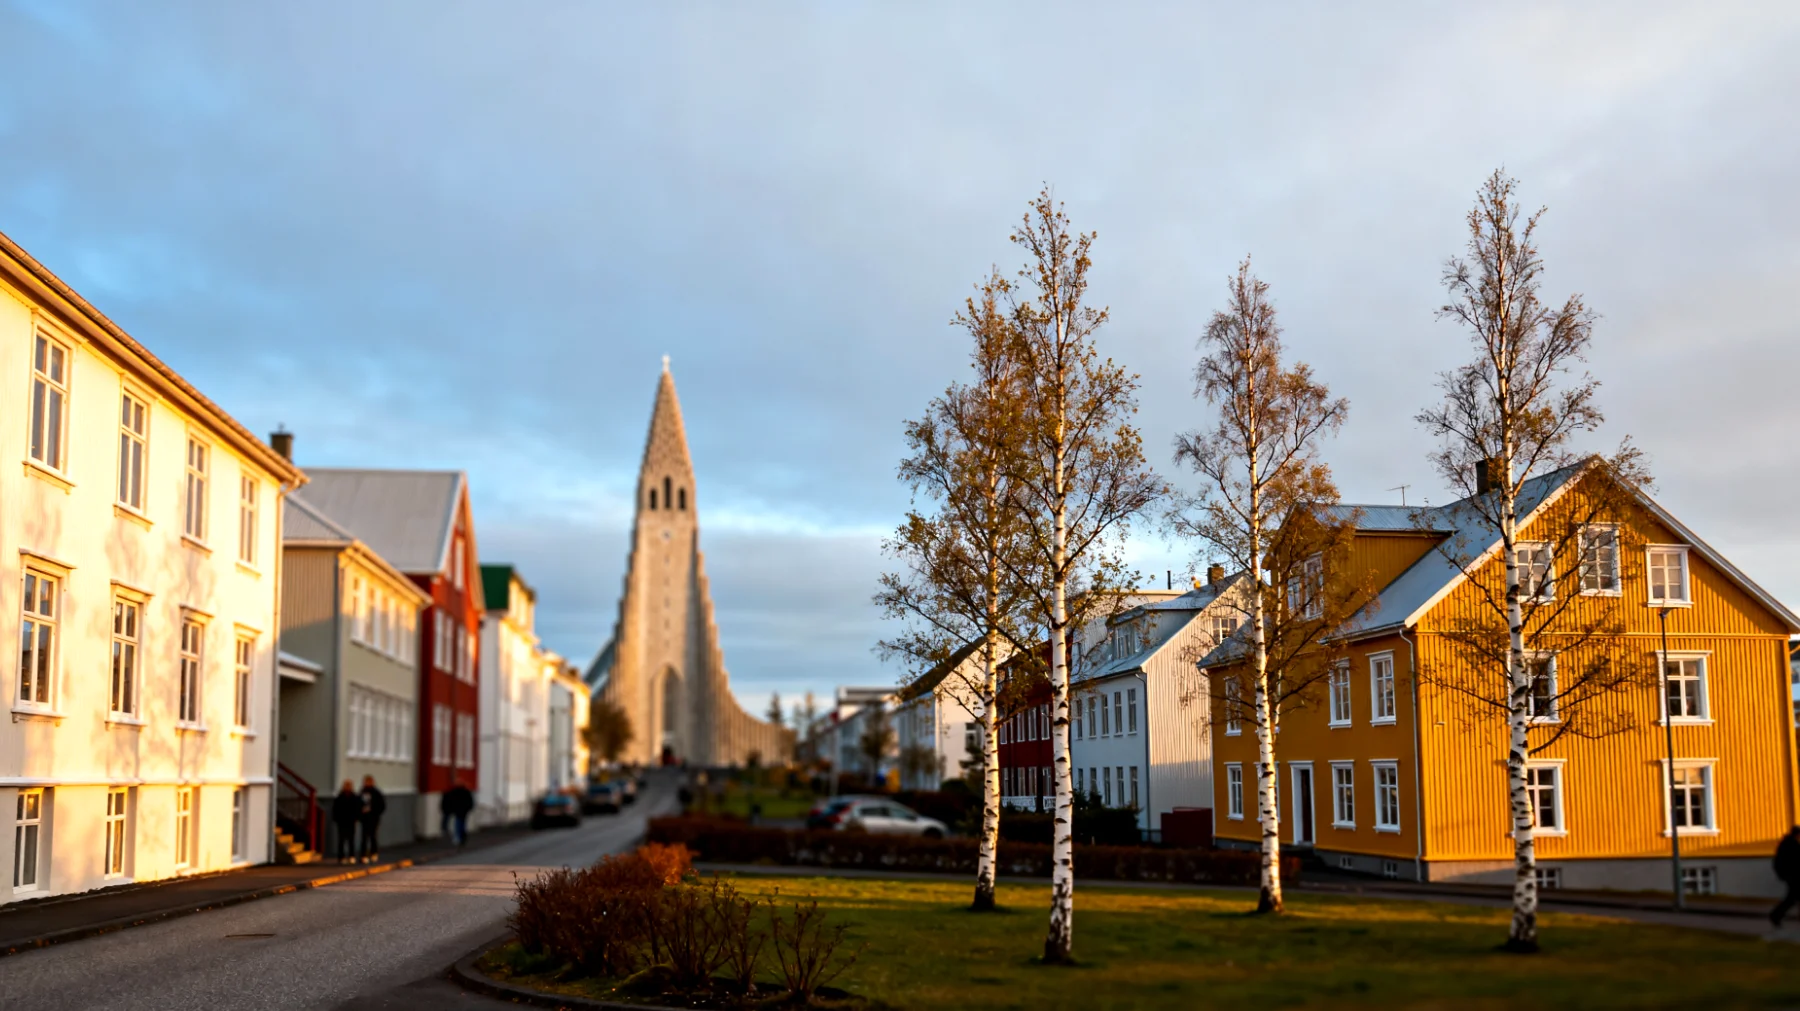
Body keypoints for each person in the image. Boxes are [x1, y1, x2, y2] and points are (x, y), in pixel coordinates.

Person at [1772, 825, 1800, 928]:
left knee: (1792, 898)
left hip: (1790, 875)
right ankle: (1775, 916)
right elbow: (1795, 860)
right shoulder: (1792, 845)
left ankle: (1775, 916)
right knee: (1791, 899)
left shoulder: (1786, 843)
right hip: (1792, 875)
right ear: (1797, 834)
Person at [330, 780, 362, 864]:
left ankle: (351, 856)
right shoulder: (340, 797)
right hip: (342, 821)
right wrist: (336, 819)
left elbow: (358, 809)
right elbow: (335, 809)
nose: (347, 787)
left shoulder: (354, 797)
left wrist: (357, 818)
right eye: (346, 786)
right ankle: (341, 857)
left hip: (351, 821)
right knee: (341, 839)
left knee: (351, 839)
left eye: (349, 786)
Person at [359, 775, 387, 863]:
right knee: (364, 837)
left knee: (373, 836)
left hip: (374, 818)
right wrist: (361, 812)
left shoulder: (376, 793)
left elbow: (381, 806)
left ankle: (373, 853)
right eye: (365, 782)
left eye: (368, 782)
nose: (366, 783)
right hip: (364, 819)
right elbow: (358, 804)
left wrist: (372, 810)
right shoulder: (362, 792)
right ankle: (363, 855)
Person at [441, 779, 474, 846]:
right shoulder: (466, 792)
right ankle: (461, 837)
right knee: (461, 824)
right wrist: (469, 808)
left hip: (458, 810)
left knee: (458, 823)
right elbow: (470, 801)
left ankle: (458, 837)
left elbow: (450, 801)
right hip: (463, 811)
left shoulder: (452, 792)